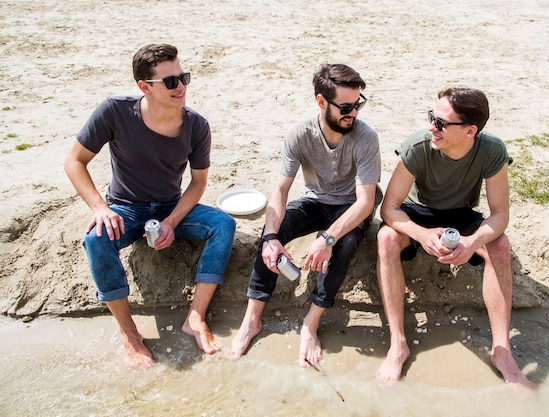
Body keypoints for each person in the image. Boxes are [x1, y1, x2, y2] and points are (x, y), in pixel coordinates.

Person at [64, 44, 236, 369]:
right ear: (145, 86)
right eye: (170, 82)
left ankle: (195, 319)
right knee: (95, 239)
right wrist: (100, 208)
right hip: (125, 207)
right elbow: (74, 161)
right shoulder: (114, 111)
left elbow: (198, 183)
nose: (181, 87)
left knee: (223, 224)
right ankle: (130, 335)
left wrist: (171, 221)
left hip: (170, 205)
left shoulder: (197, 126)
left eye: (183, 77)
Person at [375, 87, 534, 389]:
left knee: (500, 245)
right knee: (385, 239)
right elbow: (389, 208)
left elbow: (500, 214)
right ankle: (398, 344)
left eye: (441, 123)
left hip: (461, 212)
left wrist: (471, 242)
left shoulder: (492, 151)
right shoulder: (417, 146)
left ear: (470, 130)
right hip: (416, 211)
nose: (432, 127)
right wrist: (421, 235)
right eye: (432, 117)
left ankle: (502, 351)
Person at [229, 64, 382, 367]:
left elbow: (365, 203)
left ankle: (310, 323)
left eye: (358, 104)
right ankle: (252, 319)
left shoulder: (366, 137)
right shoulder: (300, 134)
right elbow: (280, 191)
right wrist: (272, 236)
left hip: (352, 205)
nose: (353, 113)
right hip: (316, 200)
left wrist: (327, 238)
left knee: (345, 244)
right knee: (272, 230)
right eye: (346, 107)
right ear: (321, 102)